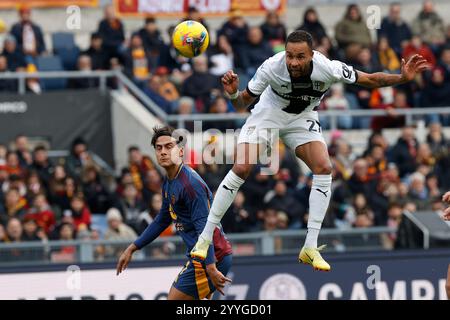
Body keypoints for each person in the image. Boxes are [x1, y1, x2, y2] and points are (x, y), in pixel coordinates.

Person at [191, 30, 429, 272]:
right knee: (242, 167)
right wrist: (232, 92)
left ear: (312, 55)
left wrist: (401, 78)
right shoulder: (271, 67)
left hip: (302, 118)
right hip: (269, 114)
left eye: (300, 57)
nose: (293, 62)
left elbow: (369, 79)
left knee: (324, 167)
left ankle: (310, 247)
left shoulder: (328, 68)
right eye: (289, 56)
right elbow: (241, 104)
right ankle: (206, 237)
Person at [116, 126, 233, 300]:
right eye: (158, 147)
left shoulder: (190, 185)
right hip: (205, 257)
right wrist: (133, 247)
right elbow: (162, 219)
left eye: (168, 147)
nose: (163, 152)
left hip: (211, 257)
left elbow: (204, 229)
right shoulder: (170, 180)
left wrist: (210, 267)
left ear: (180, 152)